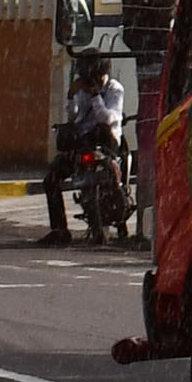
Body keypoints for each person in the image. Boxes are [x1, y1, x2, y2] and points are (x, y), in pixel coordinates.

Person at [45, 49, 128, 246]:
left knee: (104, 133)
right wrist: (72, 96)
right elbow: (73, 118)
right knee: (51, 180)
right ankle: (59, 230)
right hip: (83, 141)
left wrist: (96, 96)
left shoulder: (115, 89)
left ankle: (119, 212)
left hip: (106, 140)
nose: (91, 82)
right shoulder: (81, 88)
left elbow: (108, 119)